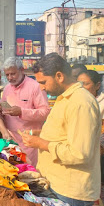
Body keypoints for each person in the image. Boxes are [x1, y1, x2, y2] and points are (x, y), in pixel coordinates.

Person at [22, 53, 101, 205]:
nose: (42, 88)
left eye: (43, 82)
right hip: (58, 184)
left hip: (72, 191)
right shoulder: (64, 98)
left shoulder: (80, 103)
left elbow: (79, 153)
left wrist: (41, 143)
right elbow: (64, 134)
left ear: (59, 76)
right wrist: (41, 135)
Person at [0, 57, 50, 167]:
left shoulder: (35, 87)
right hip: (11, 141)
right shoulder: (7, 89)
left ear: (22, 70)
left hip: (29, 142)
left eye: (13, 74)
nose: (10, 78)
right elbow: (4, 107)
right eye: (7, 75)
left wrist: (21, 112)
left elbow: (45, 113)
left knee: (30, 174)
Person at [77, 70, 104, 202]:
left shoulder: (101, 103)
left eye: (85, 84)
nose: (81, 87)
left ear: (97, 85)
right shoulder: (79, 101)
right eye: (79, 84)